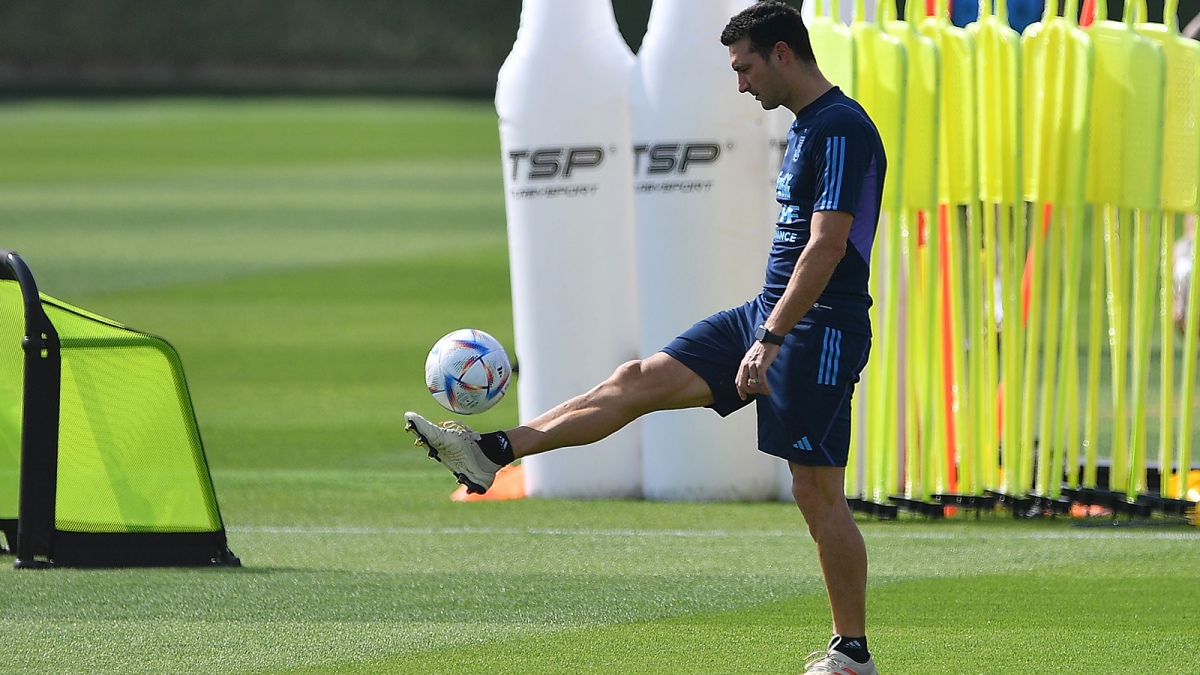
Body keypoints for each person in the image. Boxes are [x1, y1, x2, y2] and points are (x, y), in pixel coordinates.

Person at [404, 2, 886, 673]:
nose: (740, 84)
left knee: (815, 491)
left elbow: (828, 246)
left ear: (783, 54)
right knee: (635, 381)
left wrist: (772, 336)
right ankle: (492, 450)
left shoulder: (839, 128)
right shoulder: (807, 126)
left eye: (746, 68)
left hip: (816, 327)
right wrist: (765, 325)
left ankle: (851, 652)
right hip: (767, 315)